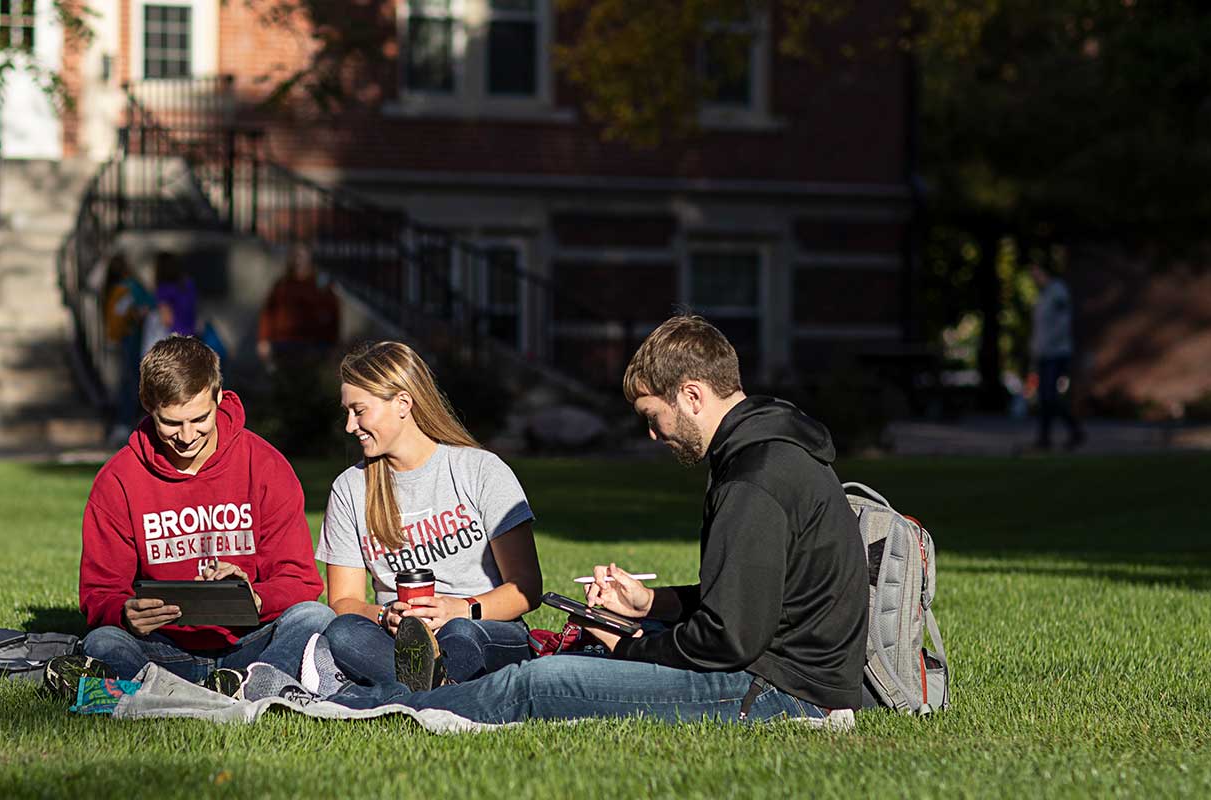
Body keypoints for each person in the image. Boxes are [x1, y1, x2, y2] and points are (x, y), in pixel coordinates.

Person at [292, 314, 867, 728]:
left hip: (776, 691)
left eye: (653, 415)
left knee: (537, 682)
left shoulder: (753, 479)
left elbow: (727, 640)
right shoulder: (768, 453)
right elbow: (747, 599)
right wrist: (651, 604)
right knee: (568, 662)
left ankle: (360, 706)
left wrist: (626, 647)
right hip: (776, 672)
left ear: (692, 396)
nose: (652, 434)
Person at [64, 334, 332, 694]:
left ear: (219, 397)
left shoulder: (265, 465)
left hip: (250, 641)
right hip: (161, 645)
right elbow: (99, 592)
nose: (188, 436)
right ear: (148, 405)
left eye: (200, 419)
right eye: (172, 423)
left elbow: (300, 582)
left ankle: (187, 691)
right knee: (103, 641)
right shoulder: (118, 479)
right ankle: (240, 691)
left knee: (315, 618)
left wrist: (254, 598)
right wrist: (125, 612)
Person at [316, 341, 542, 691]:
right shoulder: (350, 488)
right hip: (399, 640)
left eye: (359, 411)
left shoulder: (480, 470)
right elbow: (343, 602)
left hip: (481, 626)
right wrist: (385, 616)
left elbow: (526, 588)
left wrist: (459, 609)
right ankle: (444, 692)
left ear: (403, 403)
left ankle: (405, 691)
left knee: (460, 635)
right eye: (347, 412)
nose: (349, 426)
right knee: (342, 632)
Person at [254, 245, 340, 370]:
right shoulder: (282, 285)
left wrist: (333, 344)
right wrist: (263, 339)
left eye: (303, 257)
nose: (299, 261)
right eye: (296, 257)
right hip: (283, 342)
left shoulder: (321, 286)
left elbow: (332, 314)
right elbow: (268, 313)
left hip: (312, 343)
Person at [1030, 264, 1085, 450]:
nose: (1034, 278)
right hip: (1043, 354)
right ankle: (1045, 438)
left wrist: (1047, 344)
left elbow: (1063, 323)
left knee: (1049, 395)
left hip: (1056, 353)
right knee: (1044, 397)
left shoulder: (1058, 292)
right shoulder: (1043, 295)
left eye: (1036, 273)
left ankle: (1074, 430)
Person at [102, 255, 157, 437]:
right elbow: (148, 306)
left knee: (128, 382)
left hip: (125, 340)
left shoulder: (116, 289)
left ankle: (124, 422)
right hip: (134, 339)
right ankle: (128, 422)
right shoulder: (131, 287)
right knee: (133, 382)